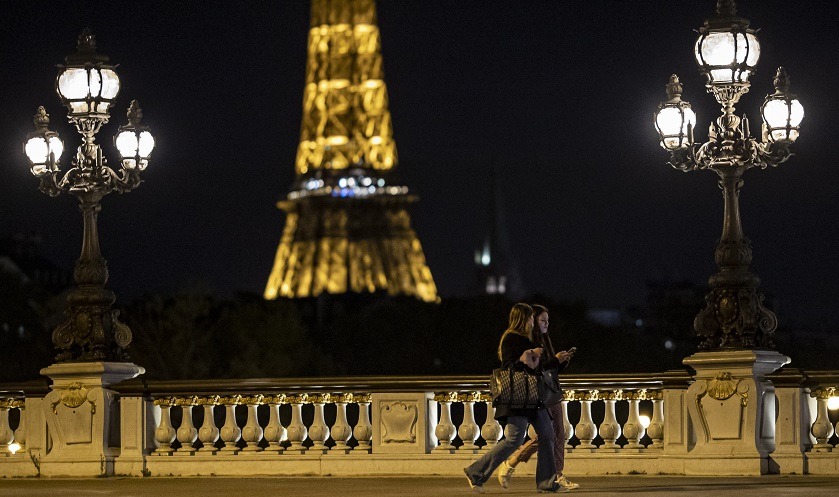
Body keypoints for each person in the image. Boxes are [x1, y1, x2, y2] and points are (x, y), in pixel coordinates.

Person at [464, 303, 563, 493]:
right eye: (531, 318)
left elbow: (540, 369)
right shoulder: (511, 339)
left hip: (535, 397)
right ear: (524, 319)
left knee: (548, 435)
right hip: (519, 398)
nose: (533, 321)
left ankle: (546, 483)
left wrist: (558, 361)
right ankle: (476, 472)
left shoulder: (531, 339)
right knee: (514, 440)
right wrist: (525, 357)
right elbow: (508, 367)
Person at [497, 304, 579, 490]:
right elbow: (537, 368)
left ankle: (554, 474)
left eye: (547, 321)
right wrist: (554, 360)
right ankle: (518, 464)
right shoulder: (525, 341)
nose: (546, 324)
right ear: (531, 320)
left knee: (556, 433)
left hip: (551, 391)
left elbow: (549, 367)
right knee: (547, 435)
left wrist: (561, 361)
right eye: (542, 320)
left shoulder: (543, 339)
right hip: (537, 392)